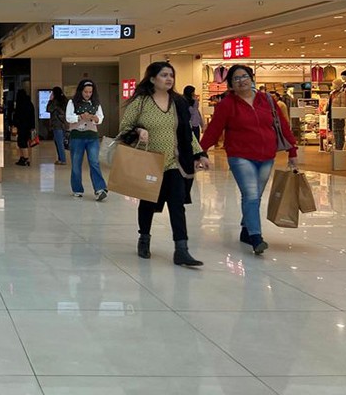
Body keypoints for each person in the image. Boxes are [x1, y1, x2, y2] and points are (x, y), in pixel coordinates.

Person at [119, 62, 210, 267]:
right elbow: (125, 127)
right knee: (148, 203)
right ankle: (144, 238)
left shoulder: (177, 102)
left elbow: (186, 133)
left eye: (171, 75)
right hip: (149, 162)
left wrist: (200, 153)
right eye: (164, 75)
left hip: (173, 162)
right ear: (152, 79)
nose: (169, 79)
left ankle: (182, 249)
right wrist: (138, 131)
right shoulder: (141, 102)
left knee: (177, 204)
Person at [200, 64, 298, 255]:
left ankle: (246, 229)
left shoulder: (267, 100)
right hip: (240, 156)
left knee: (256, 196)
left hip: (267, 155)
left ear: (252, 78)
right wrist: (200, 151)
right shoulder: (227, 105)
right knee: (251, 195)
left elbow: (282, 126)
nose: (241, 81)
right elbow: (214, 130)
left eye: (244, 76)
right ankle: (256, 237)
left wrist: (292, 151)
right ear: (230, 84)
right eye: (236, 79)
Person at [66, 79, 108, 200]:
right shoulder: (72, 102)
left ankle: (100, 189)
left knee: (94, 162)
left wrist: (96, 119)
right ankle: (77, 189)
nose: (88, 94)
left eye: (90, 92)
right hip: (77, 137)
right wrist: (79, 117)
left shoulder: (96, 103)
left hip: (92, 137)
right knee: (76, 163)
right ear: (81, 91)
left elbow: (101, 118)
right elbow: (68, 117)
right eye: (86, 92)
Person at [10, 89, 35, 166]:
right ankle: (22, 157)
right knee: (23, 142)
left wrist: (14, 123)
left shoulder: (20, 104)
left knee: (22, 142)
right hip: (27, 126)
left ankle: (25, 158)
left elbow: (17, 115)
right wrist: (32, 126)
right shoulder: (29, 103)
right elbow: (32, 116)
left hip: (22, 126)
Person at [46, 86, 69, 165]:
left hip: (57, 125)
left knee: (59, 142)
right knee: (59, 142)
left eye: (52, 93)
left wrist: (50, 100)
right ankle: (60, 159)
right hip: (62, 124)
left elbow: (48, 109)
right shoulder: (64, 100)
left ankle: (62, 159)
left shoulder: (55, 102)